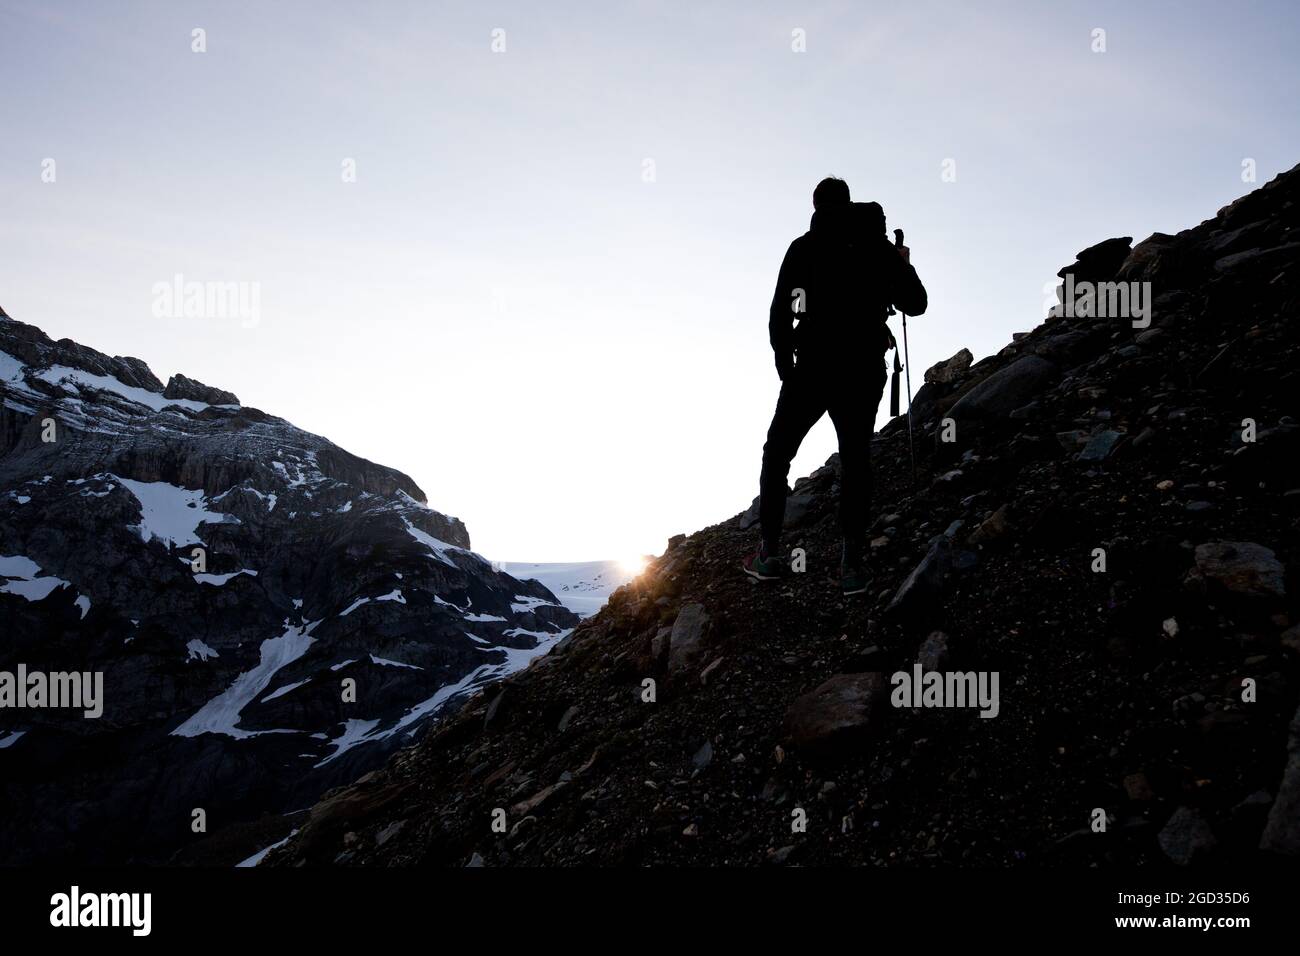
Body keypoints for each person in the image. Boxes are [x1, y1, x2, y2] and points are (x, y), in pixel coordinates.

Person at [743, 178, 927, 594]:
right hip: (862, 368)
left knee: (778, 452)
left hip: (811, 366)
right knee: (855, 458)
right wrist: (902, 263)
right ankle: (851, 565)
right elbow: (915, 304)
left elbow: (779, 312)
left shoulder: (803, 248)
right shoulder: (876, 247)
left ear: (815, 204)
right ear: (849, 202)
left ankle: (769, 553)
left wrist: (784, 363)